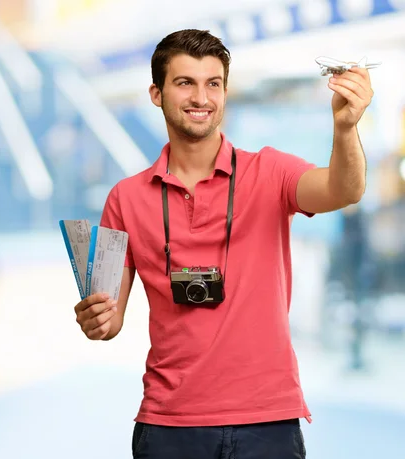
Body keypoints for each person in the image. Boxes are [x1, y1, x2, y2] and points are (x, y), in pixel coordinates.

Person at [73, 29, 373, 459]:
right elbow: (109, 320)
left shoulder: (271, 172)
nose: (201, 97)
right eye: (185, 83)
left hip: (267, 422)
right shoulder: (125, 198)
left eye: (213, 84)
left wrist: (345, 128)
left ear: (225, 92)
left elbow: (344, 190)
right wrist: (96, 319)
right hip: (168, 426)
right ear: (157, 94)